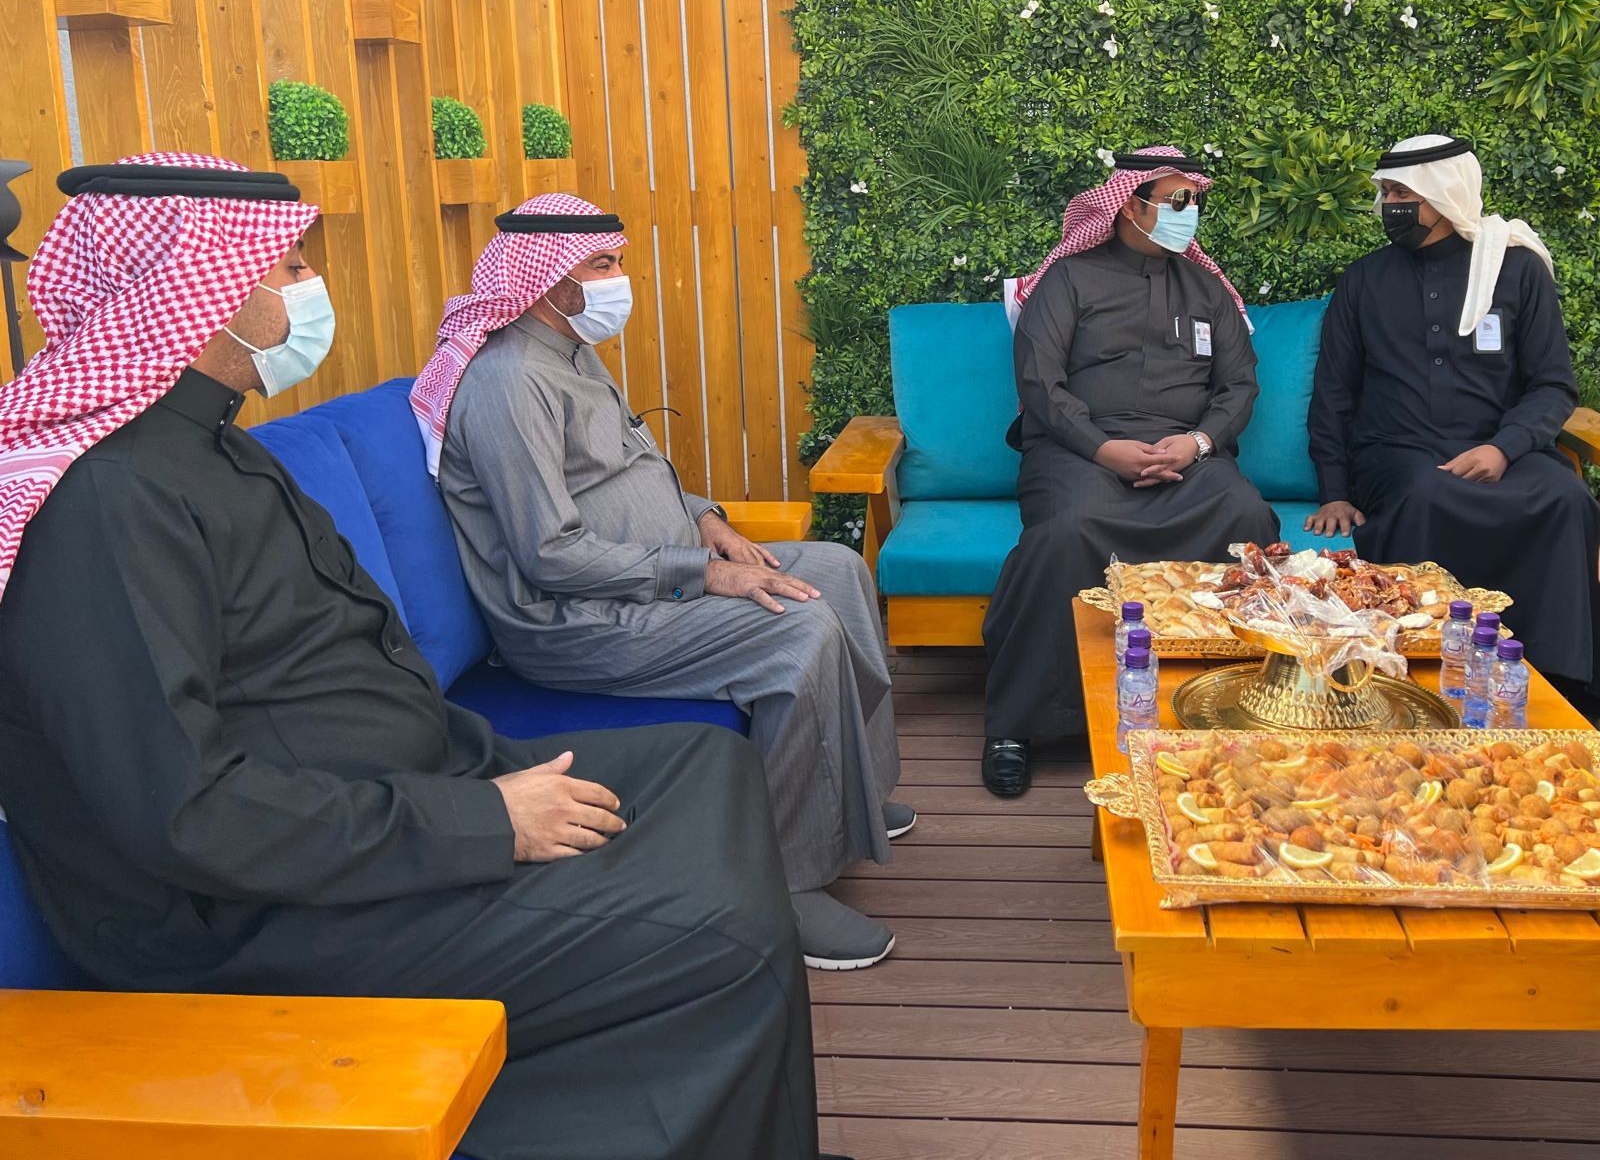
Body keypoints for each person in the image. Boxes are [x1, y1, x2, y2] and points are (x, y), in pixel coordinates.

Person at [0, 154, 829, 1160]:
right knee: (724, 941)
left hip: (389, 799)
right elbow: (188, 813)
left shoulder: (212, 446)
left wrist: (476, 772)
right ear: (201, 293)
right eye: (288, 265)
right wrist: (484, 820)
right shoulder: (104, 503)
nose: (309, 286)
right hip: (254, 917)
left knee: (706, 767)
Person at [411, 193, 907, 973]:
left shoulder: (571, 349)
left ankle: (855, 790)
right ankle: (789, 882)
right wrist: (703, 573)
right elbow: (550, 556)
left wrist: (708, 521)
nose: (620, 280)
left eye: (617, 260)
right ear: (550, 282)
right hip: (574, 618)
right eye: (602, 265)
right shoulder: (510, 382)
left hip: (656, 569)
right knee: (797, 632)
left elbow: (635, 469)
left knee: (839, 570)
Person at [983, 147, 1278, 798]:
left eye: (1194, 201)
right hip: (1078, 452)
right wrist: (1102, 448)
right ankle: (1016, 725)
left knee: (1247, 517)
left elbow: (1239, 386)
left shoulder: (1207, 289)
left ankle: (1227, 706)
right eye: (1176, 202)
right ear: (1128, 205)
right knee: (1068, 531)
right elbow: (1040, 380)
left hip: (1187, 457)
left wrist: (1197, 442)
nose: (1188, 212)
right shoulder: (1070, 279)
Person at [1307, 133, 1600, 689]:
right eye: (1386, 192)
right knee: (1428, 492)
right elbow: (1334, 394)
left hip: (1505, 448)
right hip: (1397, 453)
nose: (1389, 205)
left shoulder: (1517, 270)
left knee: (1565, 499)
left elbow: (1552, 385)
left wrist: (1503, 448)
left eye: (1403, 194)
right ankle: (1415, 678)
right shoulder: (1364, 279)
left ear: (1445, 195)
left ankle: (1555, 683)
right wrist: (1335, 490)